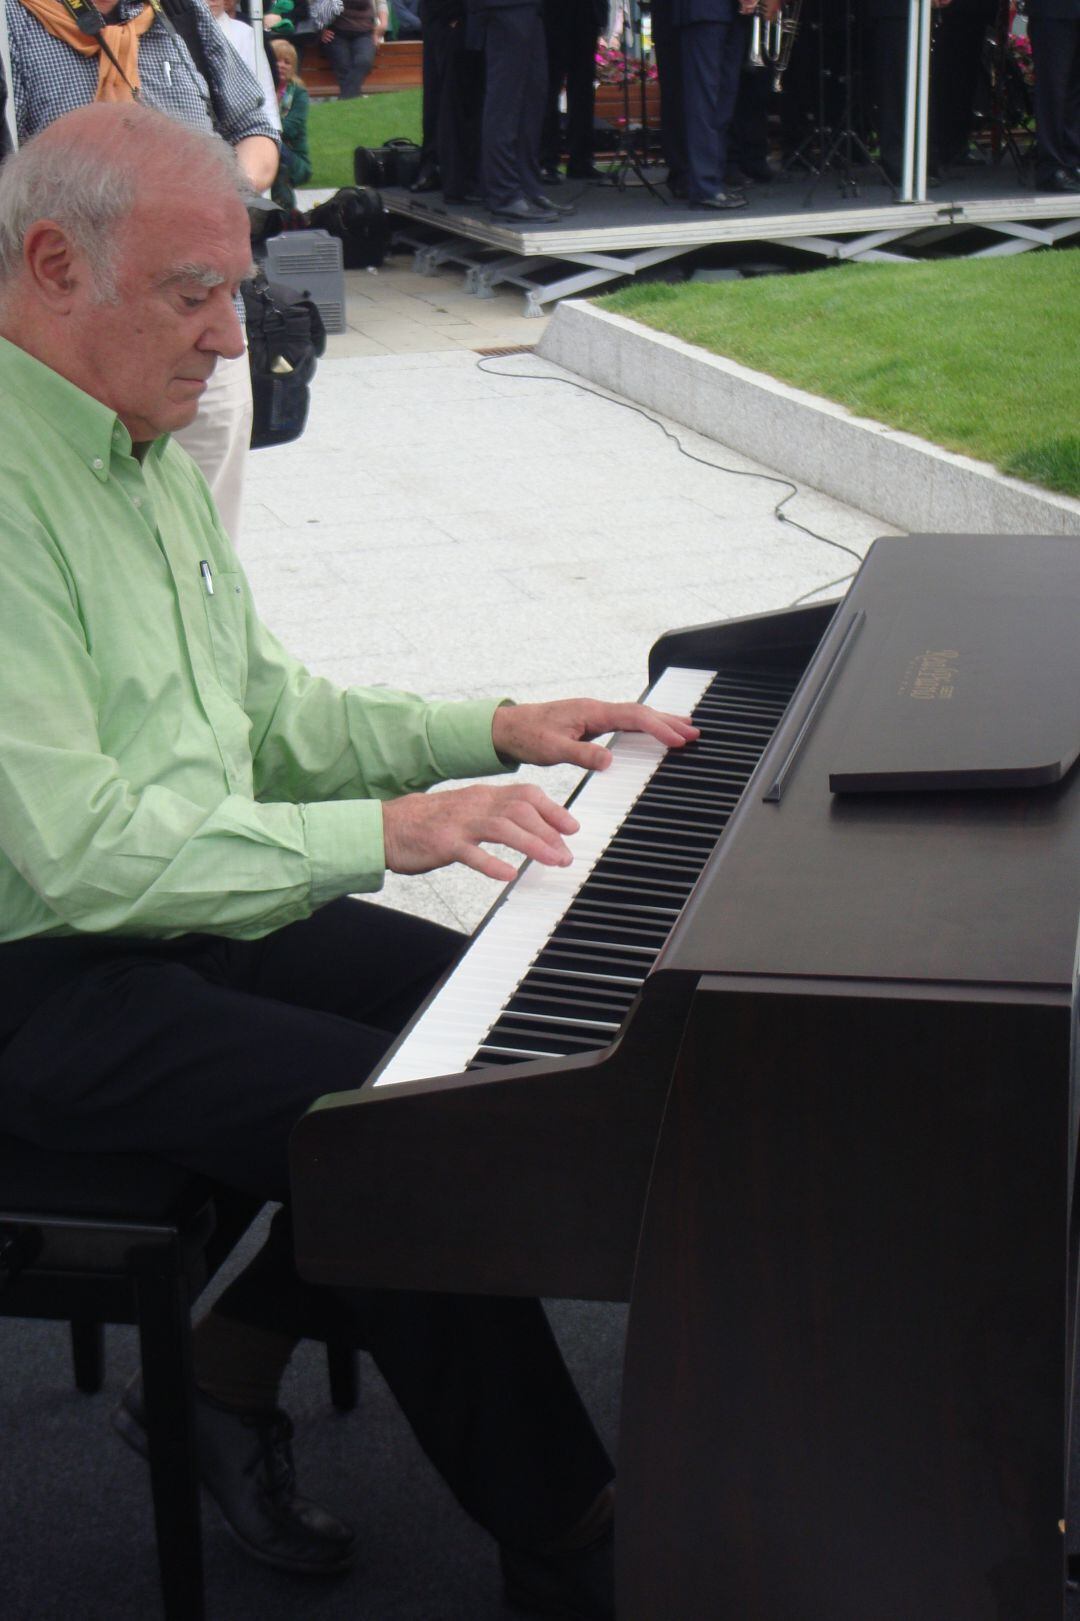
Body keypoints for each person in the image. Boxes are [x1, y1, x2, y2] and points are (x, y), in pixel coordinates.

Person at [0, 100, 702, 1619]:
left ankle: (222, 1368)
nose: (233, 340)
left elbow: (268, 714)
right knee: (394, 1136)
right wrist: (387, 835)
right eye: (197, 294)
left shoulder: (140, 451)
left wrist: (495, 725)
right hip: (36, 972)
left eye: (237, 293)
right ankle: (574, 1529)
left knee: (490, 1043)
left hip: (171, 908)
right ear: (53, 263)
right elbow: (76, 855)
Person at [5, 0, 279, 545]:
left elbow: (256, 128)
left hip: (202, 322)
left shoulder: (178, 13)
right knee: (87, 543)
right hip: (82, 346)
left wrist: (210, 203)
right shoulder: (12, 23)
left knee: (206, 536)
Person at [669, 0, 758, 209]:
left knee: (723, 99)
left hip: (732, 13)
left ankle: (712, 181)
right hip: (705, 9)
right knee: (704, 99)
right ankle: (704, 186)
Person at [1026, 0, 1080, 192]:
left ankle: (1072, 160)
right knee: (1052, 89)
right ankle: (1051, 168)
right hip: (1052, 10)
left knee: (1074, 91)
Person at [271, 36, 313, 206]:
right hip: (269, 146)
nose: (281, 65)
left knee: (270, 146)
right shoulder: (259, 87)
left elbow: (290, 128)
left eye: (287, 62)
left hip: (292, 156)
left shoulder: (299, 93)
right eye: (277, 60)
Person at [320, 0, 389, 96]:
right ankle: (351, 104)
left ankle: (345, 102)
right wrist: (320, 29)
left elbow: (381, 3)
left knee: (364, 61)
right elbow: (314, 4)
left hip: (366, 31)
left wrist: (383, 24)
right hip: (336, 33)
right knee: (343, 67)